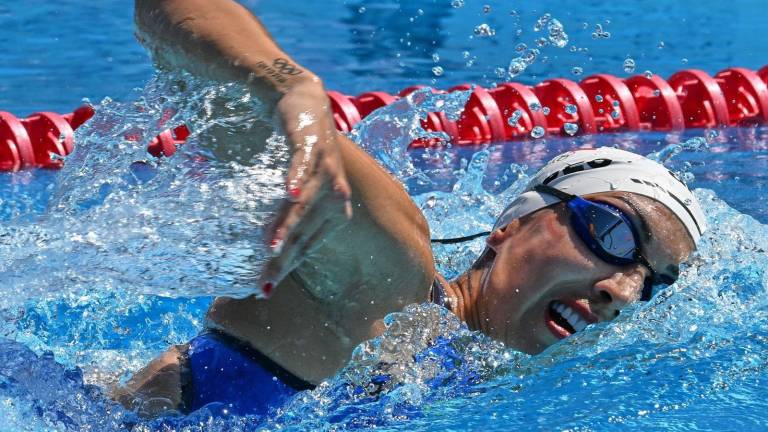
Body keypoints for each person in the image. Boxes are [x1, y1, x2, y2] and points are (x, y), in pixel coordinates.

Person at [115, 0, 706, 418]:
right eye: (614, 234)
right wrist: (290, 90)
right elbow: (168, 7)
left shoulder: (489, 373)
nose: (623, 292)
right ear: (511, 224)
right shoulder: (386, 279)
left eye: (650, 281)